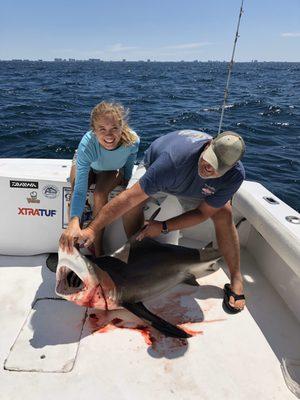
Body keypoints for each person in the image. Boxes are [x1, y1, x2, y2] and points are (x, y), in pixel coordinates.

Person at [63, 129, 246, 313]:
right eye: (209, 160)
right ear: (207, 145)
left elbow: (202, 213)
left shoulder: (235, 176)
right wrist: (92, 229)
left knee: (224, 213)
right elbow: (128, 199)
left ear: (231, 168)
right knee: (133, 206)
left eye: (218, 168)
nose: (209, 168)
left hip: (195, 189)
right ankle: (136, 253)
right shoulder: (173, 160)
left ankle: (236, 278)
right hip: (159, 170)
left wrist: (163, 227)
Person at [59, 101, 140, 256]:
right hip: (88, 165)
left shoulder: (133, 141)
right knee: (75, 189)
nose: (109, 135)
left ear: (122, 127)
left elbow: (130, 161)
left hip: (109, 170)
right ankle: (73, 246)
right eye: (102, 129)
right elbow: (80, 190)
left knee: (99, 194)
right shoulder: (87, 145)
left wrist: (126, 180)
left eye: (114, 128)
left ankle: (98, 248)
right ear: (94, 131)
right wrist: (74, 221)